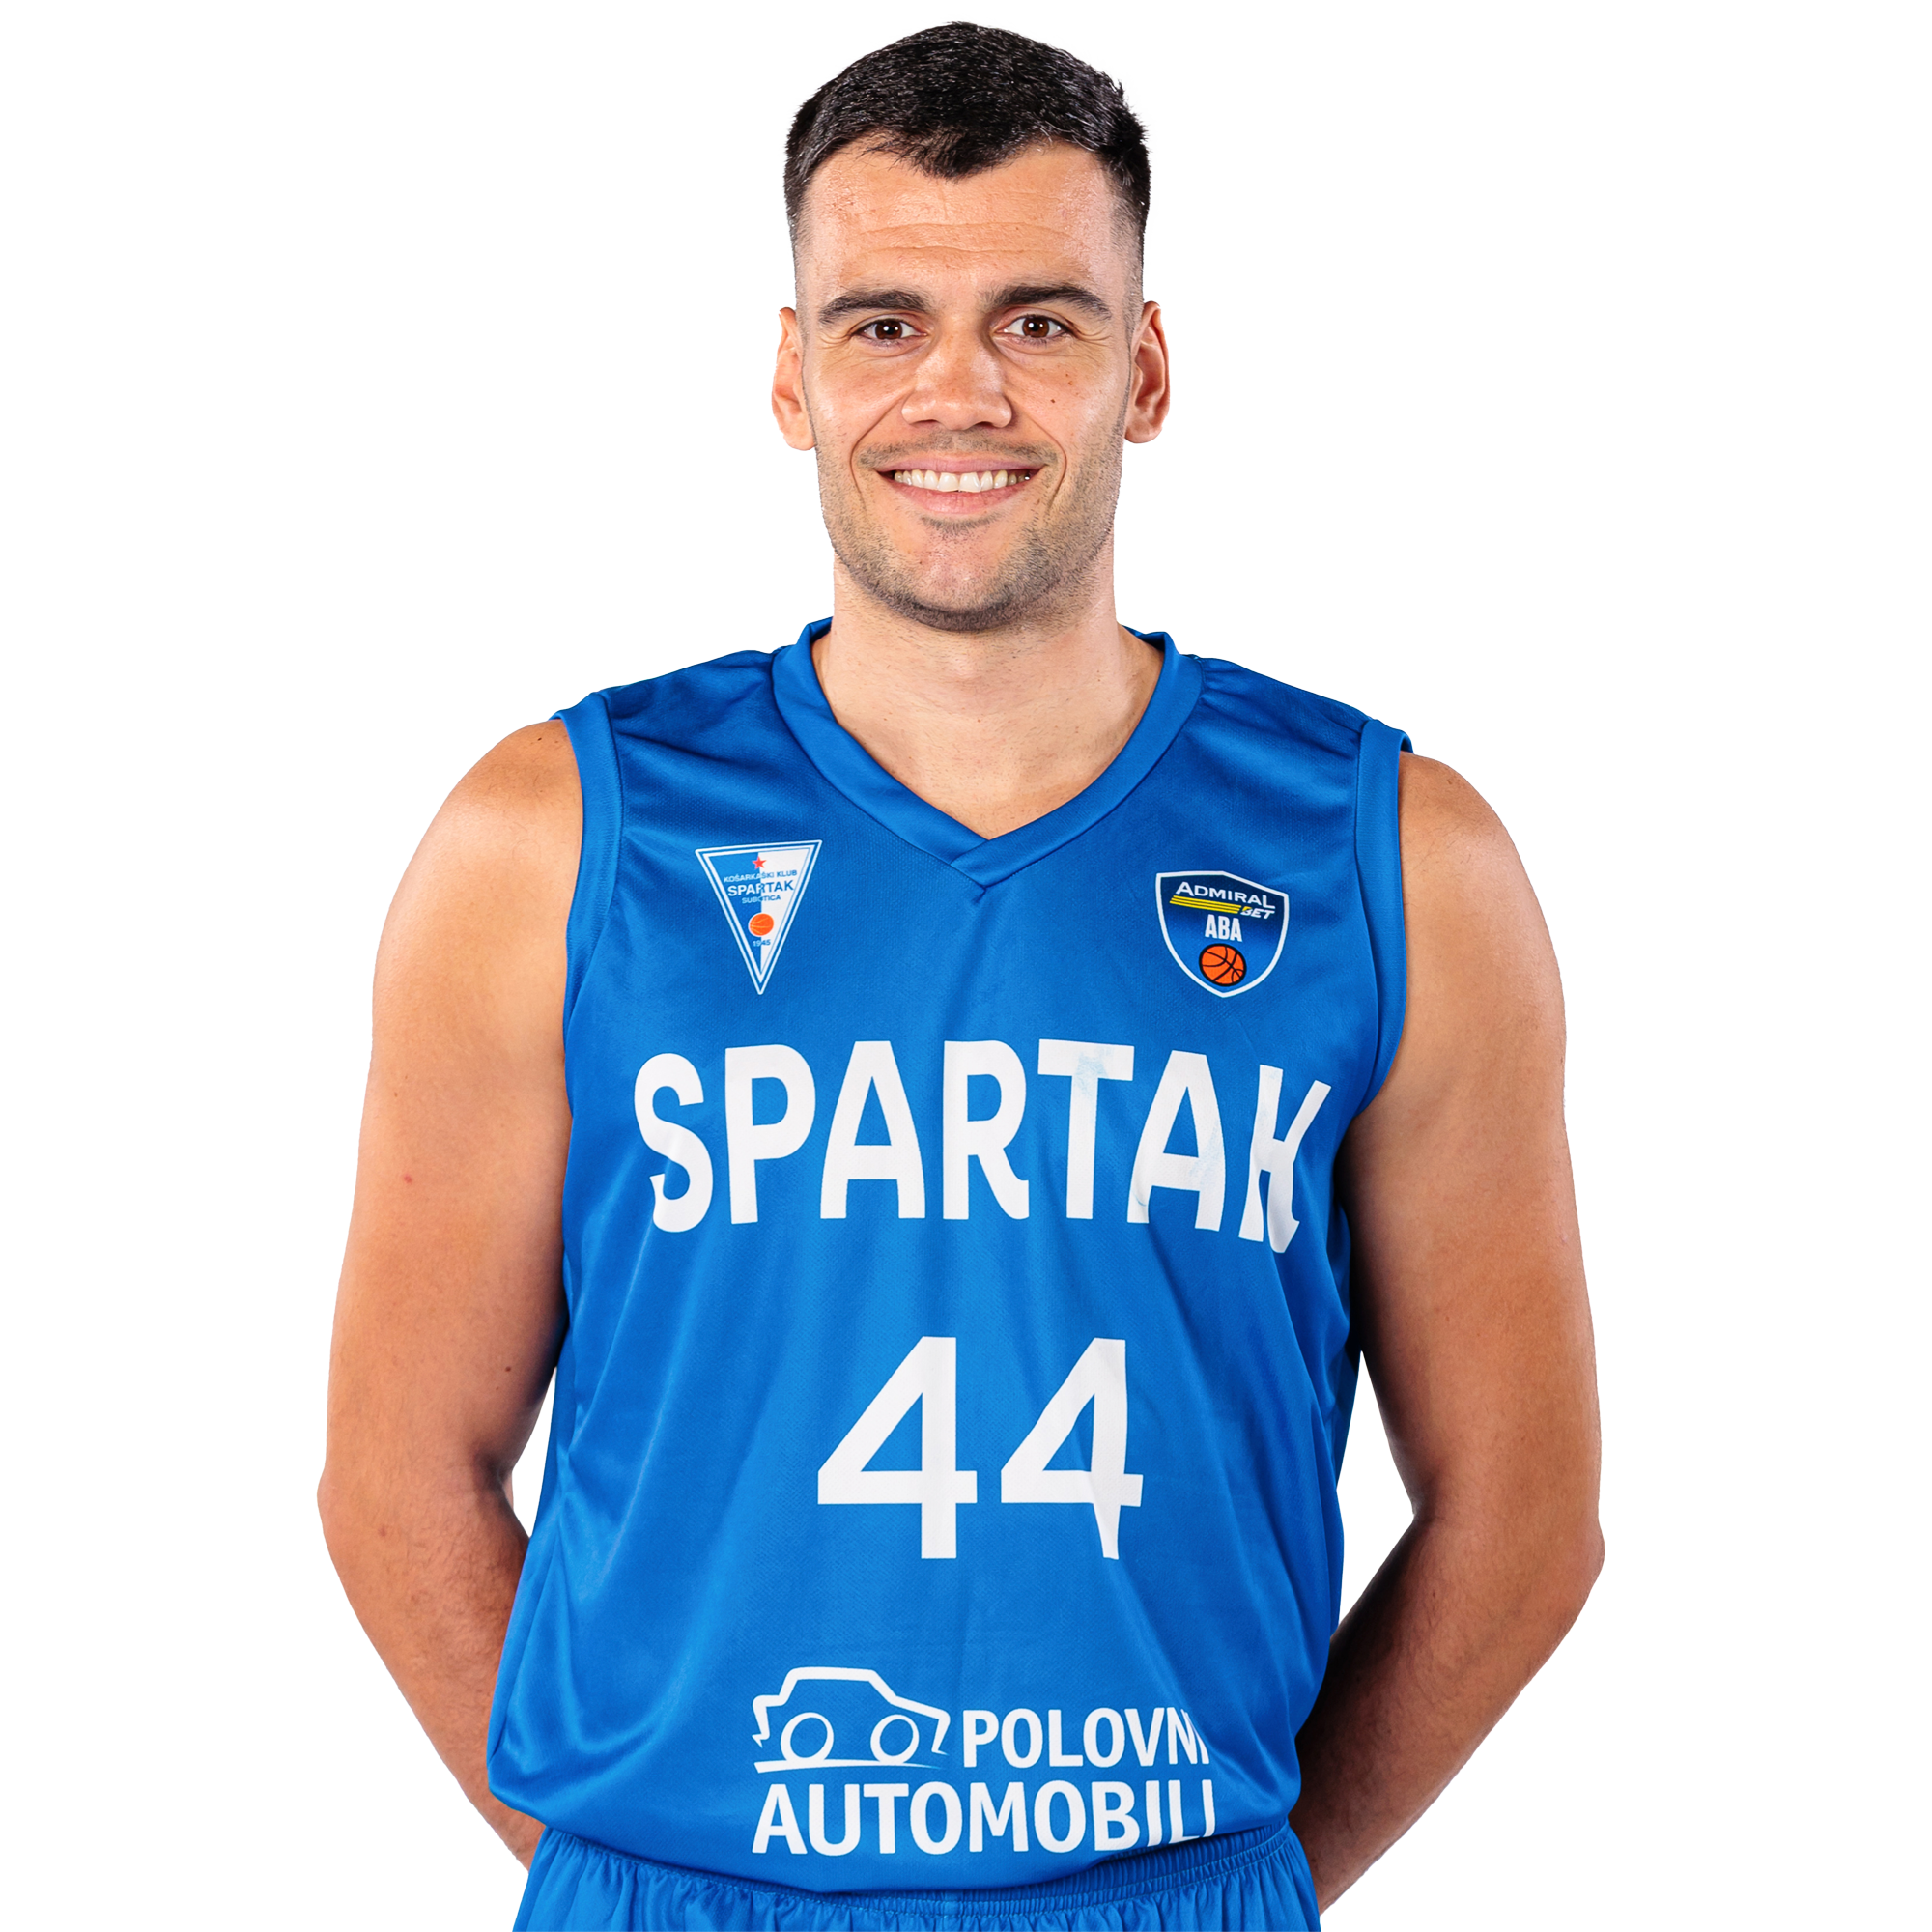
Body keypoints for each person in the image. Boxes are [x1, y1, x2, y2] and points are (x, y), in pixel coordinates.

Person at [320, 20, 1602, 1930]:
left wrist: (1231, 1880)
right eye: (884, 324)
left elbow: (1524, 1520)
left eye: (1040, 322)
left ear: (1142, 367)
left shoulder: (1396, 860)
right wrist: (628, 1859)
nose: (959, 392)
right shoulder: (552, 842)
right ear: (793, 375)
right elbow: (394, 1470)